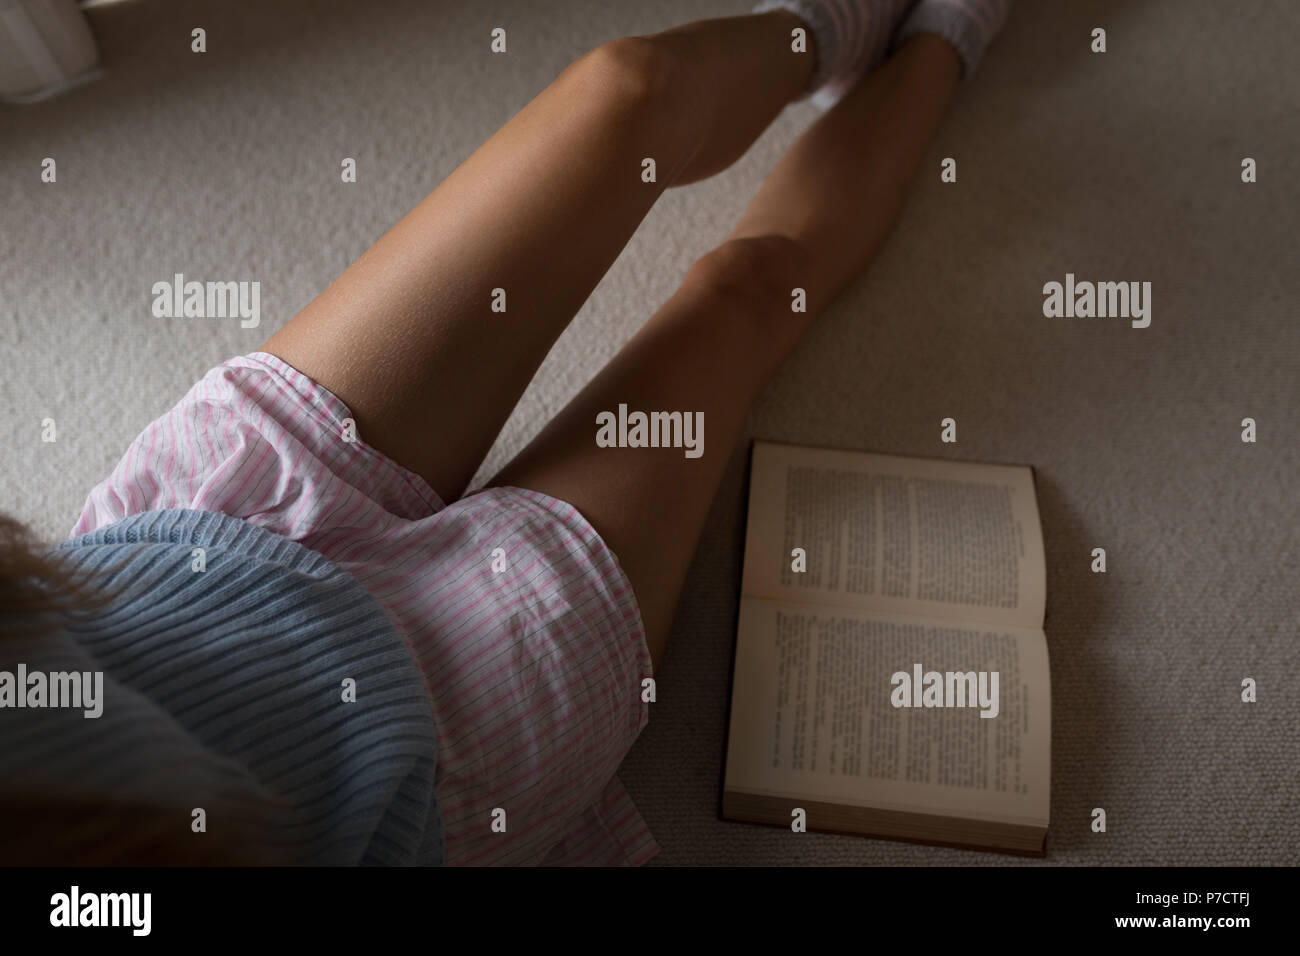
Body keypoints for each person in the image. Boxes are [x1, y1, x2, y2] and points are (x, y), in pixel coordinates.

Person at [0, 0, 1013, 866]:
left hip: (191, 532)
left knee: (627, 91)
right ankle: (946, 37)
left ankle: (825, 27)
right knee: (738, 294)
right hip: (438, 722)